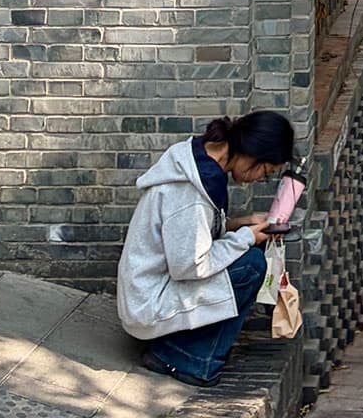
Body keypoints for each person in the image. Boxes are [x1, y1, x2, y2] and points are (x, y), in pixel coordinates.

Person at [117, 109, 294, 387]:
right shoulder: (190, 193)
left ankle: (190, 347)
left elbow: (198, 236)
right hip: (149, 306)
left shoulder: (200, 163)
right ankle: (181, 355)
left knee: (250, 257)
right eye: (266, 171)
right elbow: (191, 266)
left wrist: (243, 224)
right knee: (251, 265)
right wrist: (246, 237)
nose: (261, 179)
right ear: (252, 153)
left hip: (157, 292)